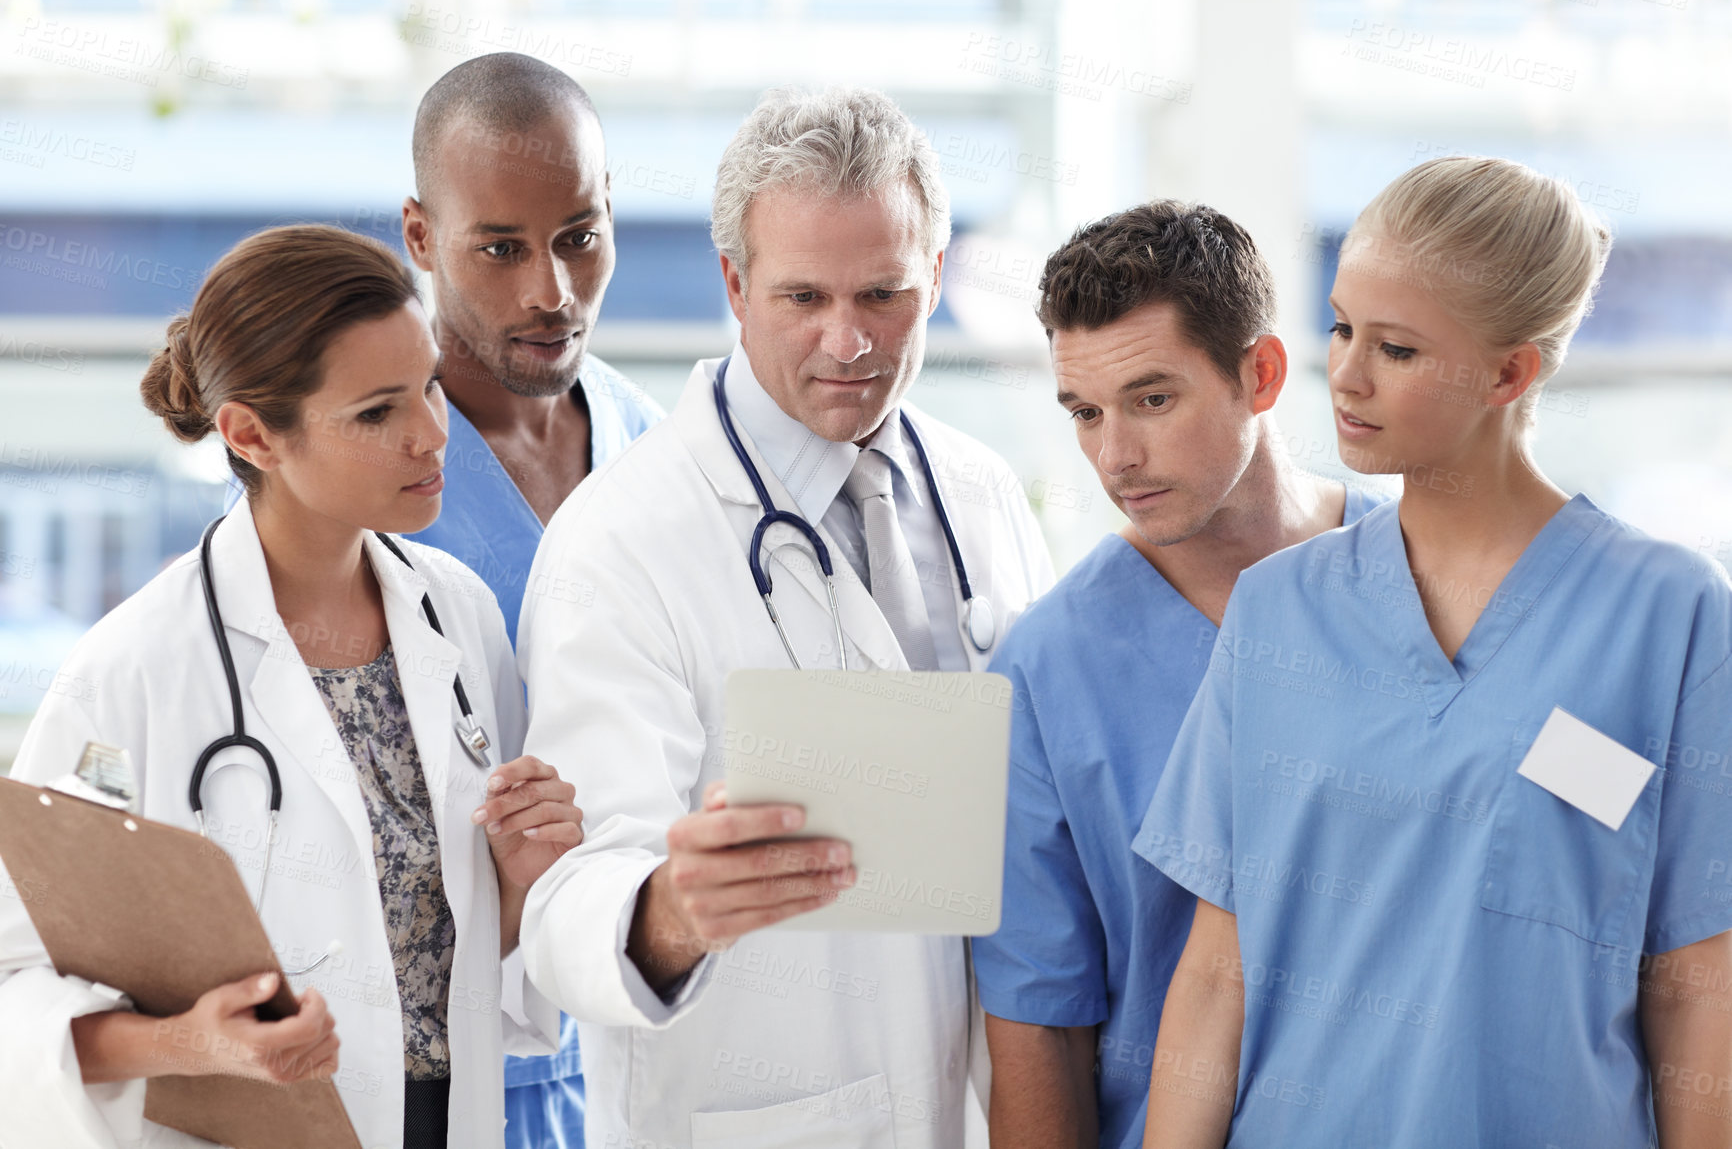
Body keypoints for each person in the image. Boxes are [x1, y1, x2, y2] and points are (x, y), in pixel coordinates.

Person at [1136, 157, 1732, 1147]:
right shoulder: (1279, 612)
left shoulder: (1668, 616)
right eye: (1341, 328)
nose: (1348, 375)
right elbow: (1212, 974)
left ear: (1509, 372)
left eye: (1398, 349)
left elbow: (1698, 979)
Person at [513, 86, 1055, 1148]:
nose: (847, 341)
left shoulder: (979, 490)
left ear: (935, 276)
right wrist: (671, 905)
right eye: (803, 296)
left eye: (884, 295)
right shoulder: (621, 539)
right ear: (734, 282)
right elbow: (566, 899)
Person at [0, 225, 581, 1149]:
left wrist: (526, 878)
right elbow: (13, 991)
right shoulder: (133, 674)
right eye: (377, 412)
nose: (433, 434)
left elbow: (457, 960)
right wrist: (190, 1042)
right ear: (251, 435)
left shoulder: (457, 617)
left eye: (429, 384)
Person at [972, 202, 1381, 1149]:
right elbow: (1039, 1025)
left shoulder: (1418, 578)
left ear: (1261, 374)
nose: (1115, 455)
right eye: (1084, 412)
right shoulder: (1047, 671)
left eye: (1153, 399)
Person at [400, 51, 663, 1146]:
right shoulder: (375, 476)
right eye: (500, 247)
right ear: (420, 236)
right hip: (451, 1063)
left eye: (579, 236)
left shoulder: (663, 454)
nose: (549, 290)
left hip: (650, 1030)